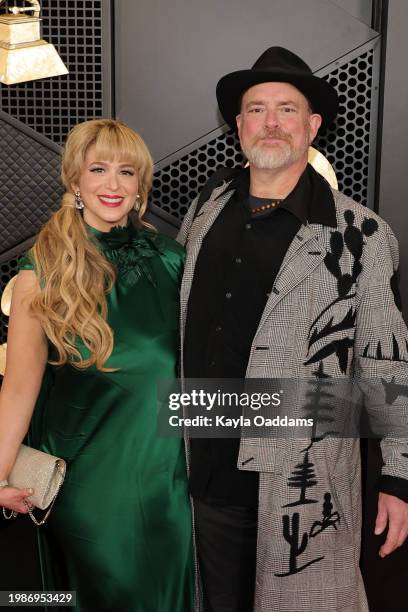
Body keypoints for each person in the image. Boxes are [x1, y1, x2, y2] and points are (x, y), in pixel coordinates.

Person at [177, 47, 408, 611]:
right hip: (199, 468)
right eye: (256, 109)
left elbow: (387, 363)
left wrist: (399, 479)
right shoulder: (206, 206)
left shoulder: (362, 235)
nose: (271, 122)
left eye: (286, 108)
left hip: (302, 480)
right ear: (238, 126)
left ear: (313, 126)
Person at [0, 119, 195, 612]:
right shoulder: (42, 272)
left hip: (171, 490)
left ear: (140, 185)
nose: (113, 184)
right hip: (89, 493)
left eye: (127, 172)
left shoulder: (173, 261)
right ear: (76, 182)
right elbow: (19, 389)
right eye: (99, 169)